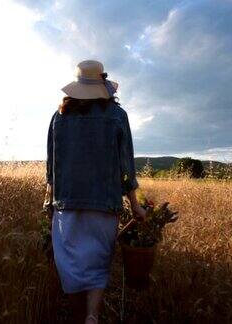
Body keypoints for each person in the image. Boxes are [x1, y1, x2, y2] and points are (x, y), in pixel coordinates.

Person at [44, 60, 147, 324]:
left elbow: (52, 166)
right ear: (102, 85)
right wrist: (135, 204)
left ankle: (80, 317)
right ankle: (92, 316)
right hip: (105, 205)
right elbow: (127, 165)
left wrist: (49, 201)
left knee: (72, 270)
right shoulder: (116, 115)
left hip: (66, 204)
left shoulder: (59, 117)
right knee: (98, 268)